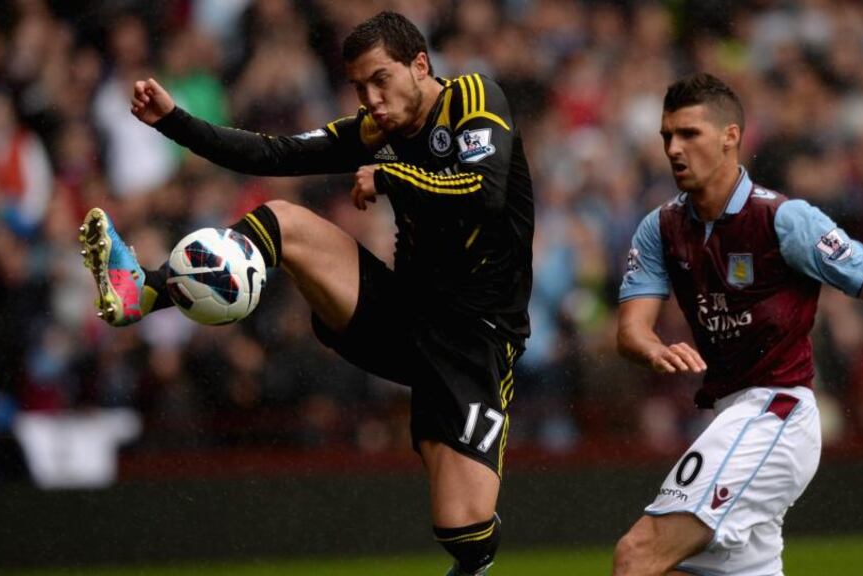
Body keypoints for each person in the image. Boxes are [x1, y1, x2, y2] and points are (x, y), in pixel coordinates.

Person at [78, 12, 533, 576]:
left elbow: (486, 192)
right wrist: (174, 121)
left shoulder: (473, 98)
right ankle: (143, 291)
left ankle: (473, 563)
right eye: (360, 87)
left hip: (475, 337)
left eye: (381, 79)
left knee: (463, 531)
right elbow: (274, 154)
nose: (371, 100)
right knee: (282, 221)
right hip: (403, 315)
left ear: (420, 65)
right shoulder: (376, 130)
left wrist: (390, 177)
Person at [611, 73, 863, 576]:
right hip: (730, 414)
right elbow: (630, 330)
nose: (673, 149)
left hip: (778, 412)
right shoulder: (660, 227)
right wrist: (653, 348)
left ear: (730, 137)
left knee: (637, 554)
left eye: (689, 134)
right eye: (667, 136)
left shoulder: (784, 219)